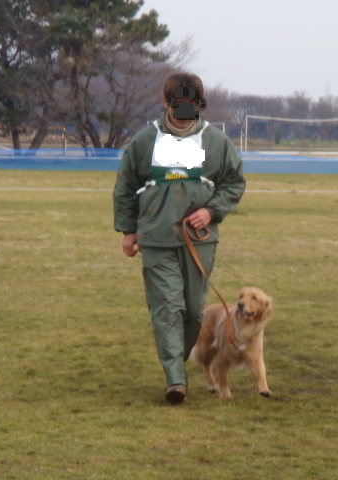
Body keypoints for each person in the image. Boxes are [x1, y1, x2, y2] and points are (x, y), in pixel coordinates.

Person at [113, 73, 245, 404]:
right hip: (156, 239)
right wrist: (128, 231)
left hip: (198, 241)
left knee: (193, 312)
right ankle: (175, 378)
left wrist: (211, 212)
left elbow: (234, 183)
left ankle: (177, 363)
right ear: (165, 102)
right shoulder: (145, 141)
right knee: (167, 307)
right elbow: (126, 186)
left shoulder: (215, 141)